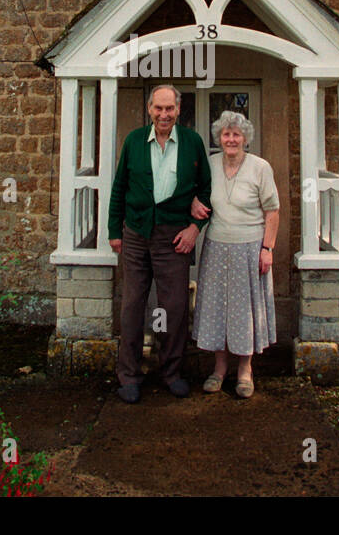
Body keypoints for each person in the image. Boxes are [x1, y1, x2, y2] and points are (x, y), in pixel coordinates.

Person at [107, 84, 212, 404]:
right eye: (158, 108)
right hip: (136, 234)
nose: (164, 114)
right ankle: (129, 375)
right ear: (150, 110)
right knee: (132, 306)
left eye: (170, 109)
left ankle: (171, 372)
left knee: (175, 307)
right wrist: (114, 230)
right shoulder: (134, 141)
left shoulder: (193, 142)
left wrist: (195, 227)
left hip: (175, 238)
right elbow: (119, 187)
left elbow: (206, 191)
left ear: (179, 110)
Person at [190, 111, 279, 399]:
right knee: (217, 309)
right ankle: (218, 369)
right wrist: (193, 200)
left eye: (236, 134)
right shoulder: (210, 164)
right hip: (216, 246)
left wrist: (267, 249)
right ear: (219, 137)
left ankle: (245, 371)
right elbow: (198, 192)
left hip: (250, 247)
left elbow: (273, 211)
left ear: (245, 138)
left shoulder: (260, 167)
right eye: (226, 134)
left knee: (245, 312)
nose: (230, 139)